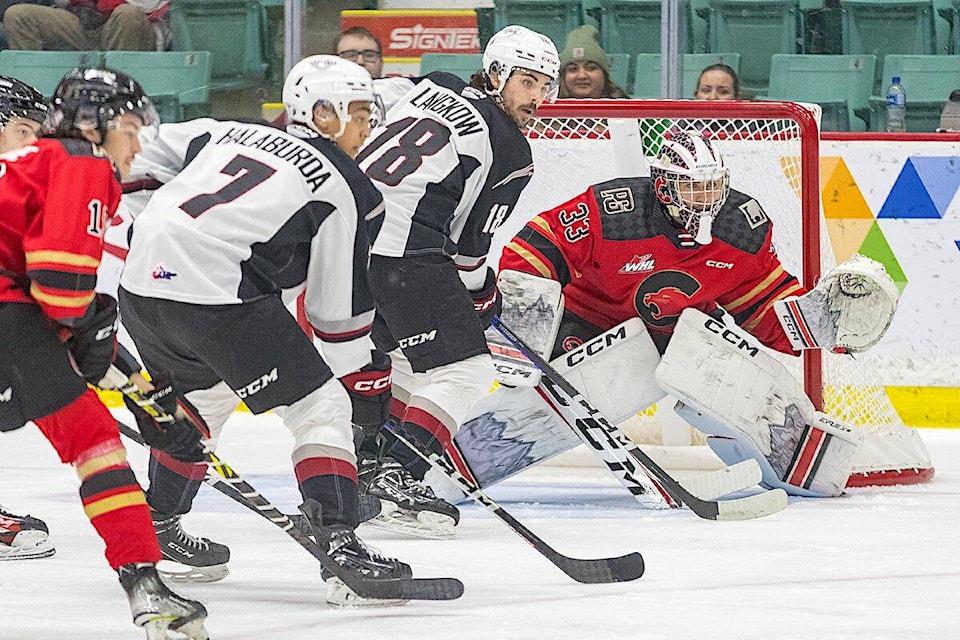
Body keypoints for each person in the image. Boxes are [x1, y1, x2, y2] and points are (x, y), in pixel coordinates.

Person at [117, 55, 419, 606]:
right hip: (217, 296)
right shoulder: (347, 187)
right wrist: (366, 372)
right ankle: (339, 541)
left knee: (200, 400)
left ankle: (156, 523)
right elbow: (336, 320)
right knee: (321, 407)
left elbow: (135, 157)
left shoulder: (225, 132)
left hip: (141, 285)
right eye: (356, 112)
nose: (367, 125)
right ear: (320, 114)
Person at [499, 130, 898, 498]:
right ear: (663, 186)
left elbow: (760, 309)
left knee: (721, 367)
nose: (705, 198)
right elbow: (534, 248)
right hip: (588, 324)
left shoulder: (743, 230)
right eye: (692, 187)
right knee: (588, 381)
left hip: (678, 338)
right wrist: (521, 328)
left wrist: (822, 322)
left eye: (712, 186)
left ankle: (796, 461)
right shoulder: (614, 213)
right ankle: (478, 444)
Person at [0, 68, 208, 638]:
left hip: (10, 312)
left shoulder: (34, 165)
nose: (140, 145)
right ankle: (145, 583)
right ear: (102, 124)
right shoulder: (82, 165)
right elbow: (63, 289)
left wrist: (130, 378)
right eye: (134, 128)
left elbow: (56, 305)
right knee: (93, 444)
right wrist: (99, 337)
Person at [352, 24, 560, 539]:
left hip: (348, 242)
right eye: (527, 82)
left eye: (546, 86)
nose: (538, 97)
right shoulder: (511, 149)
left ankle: (368, 464)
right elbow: (468, 253)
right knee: (465, 370)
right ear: (496, 74)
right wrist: (483, 295)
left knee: (403, 361)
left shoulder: (434, 84)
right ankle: (399, 471)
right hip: (405, 255)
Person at [4, 0, 166, 52]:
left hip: (133, 25)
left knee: (126, 14)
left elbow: (150, 5)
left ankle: (118, 100)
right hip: (84, 19)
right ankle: (32, 104)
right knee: (18, 15)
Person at [557, 25, 627, 99]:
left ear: (604, 74)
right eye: (573, 69)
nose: (582, 76)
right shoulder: (548, 107)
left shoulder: (627, 108)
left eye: (591, 68)